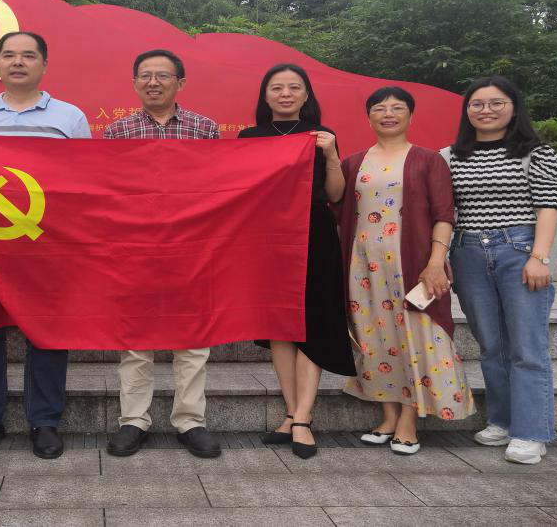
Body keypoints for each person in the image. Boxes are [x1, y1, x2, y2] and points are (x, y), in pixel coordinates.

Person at [0, 31, 90, 460]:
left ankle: (44, 421)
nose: (18, 62)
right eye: (9, 55)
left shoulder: (69, 117)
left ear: (44, 64)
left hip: (48, 246)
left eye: (28, 55)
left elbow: (86, 180)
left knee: (47, 334)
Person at [337, 87, 475, 456]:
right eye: (379, 108)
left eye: (397, 108)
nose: (388, 114)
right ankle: (388, 415)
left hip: (411, 265)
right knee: (374, 339)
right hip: (362, 267)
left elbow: (444, 214)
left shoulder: (428, 160)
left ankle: (409, 420)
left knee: (416, 337)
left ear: (410, 116)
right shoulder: (353, 163)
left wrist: (435, 262)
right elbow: (339, 209)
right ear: (368, 117)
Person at [103, 49, 223, 459]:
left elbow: (218, 187)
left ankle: (190, 421)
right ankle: (134, 420)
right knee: (135, 339)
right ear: (135, 82)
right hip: (134, 248)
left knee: (193, 339)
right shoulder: (118, 131)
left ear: (180, 82)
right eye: (145, 76)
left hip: (191, 248)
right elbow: (108, 191)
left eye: (163, 76)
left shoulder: (204, 128)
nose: (153, 82)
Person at [237, 63, 356, 459]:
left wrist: (331, 154)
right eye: (277, 87)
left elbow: (336, 195)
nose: (285, 94)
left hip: (315, 234)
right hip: (268, 239)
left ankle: (304, 417)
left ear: (306, 95)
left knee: (312, 322)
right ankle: (291, 413)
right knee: (279, 326)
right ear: (265, 95)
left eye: (294, 87)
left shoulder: (322, 135)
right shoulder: (249, 138)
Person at [446, 76, 557, 464]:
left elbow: (547, 206)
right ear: (467, 111)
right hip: (467, 252)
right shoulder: (450, 156)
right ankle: (502, 420)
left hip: (519, 249)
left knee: (527, 347)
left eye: (496, 103)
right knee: (491, 345)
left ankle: (531, 432)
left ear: (514, 108)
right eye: (477, 104)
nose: (486, 110)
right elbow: (446, 211)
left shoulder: (537, 153)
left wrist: (539, 257)